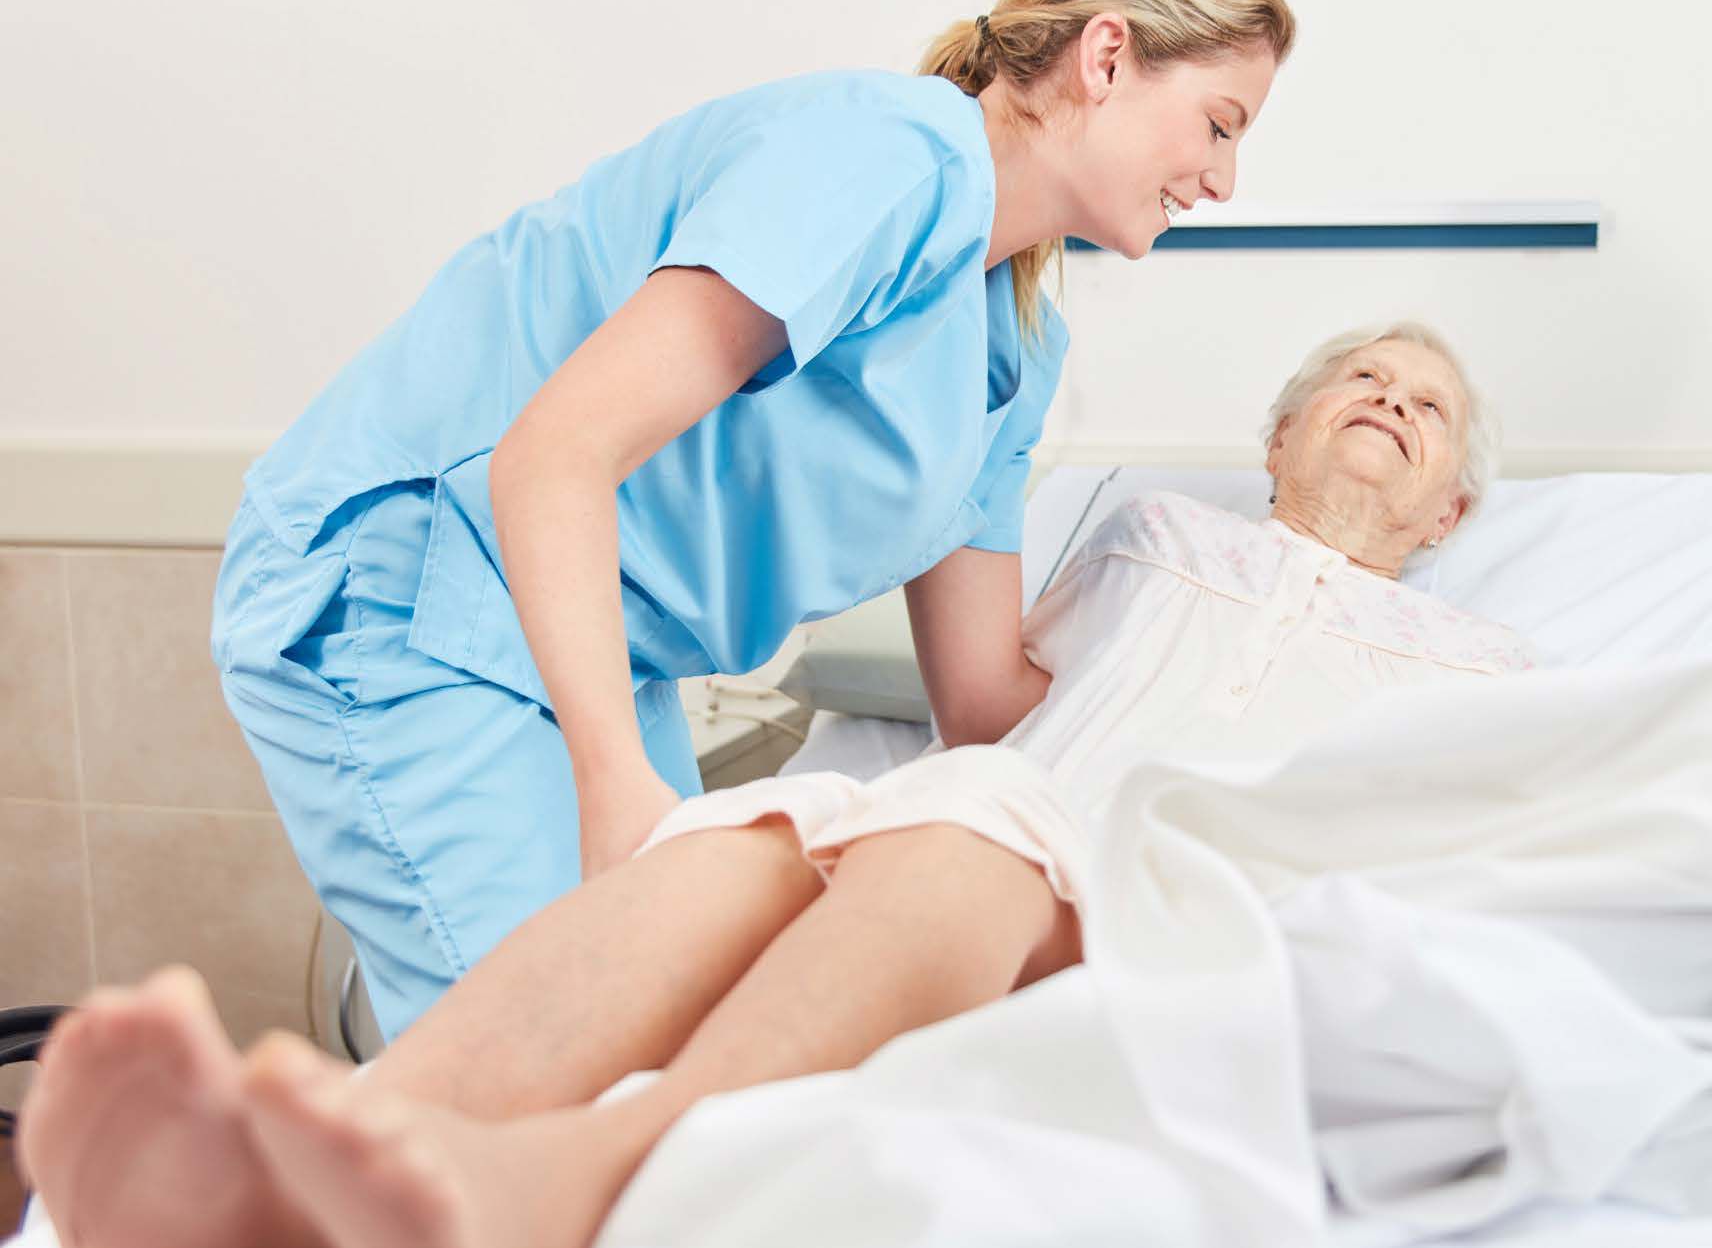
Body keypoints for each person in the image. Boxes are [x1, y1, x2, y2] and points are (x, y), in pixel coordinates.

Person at [21, 320, 1532, 1248]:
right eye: (1360, 378)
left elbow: (1468, 858)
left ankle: (576, 1174)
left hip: (1177, 901)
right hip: (985, 846)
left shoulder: (1479, 668)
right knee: (757, 823)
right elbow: (992, 692)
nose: (1389, 401)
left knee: (969, 815)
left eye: (1426, 406)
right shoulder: (1146, 535)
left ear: (1452, 505)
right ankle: (319, 1165)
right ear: (1275, 436)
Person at [207, 0, 1295, 1042]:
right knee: (556, 1065)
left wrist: (1230, 709)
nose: (1224, 178)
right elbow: (556, 452)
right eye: (1219, 123)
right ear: (1107, 57)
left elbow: (980, 698)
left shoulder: (1013, 349)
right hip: (409, 596)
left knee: (680, 1059)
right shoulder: (881, 158)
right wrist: (616, 785)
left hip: (580, 646)